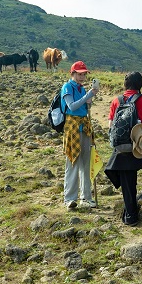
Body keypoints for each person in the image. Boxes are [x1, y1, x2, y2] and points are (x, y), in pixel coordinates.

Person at [104, 72, 142, 226]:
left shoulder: (117, 101)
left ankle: (131, 217)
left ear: (125, 85)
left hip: (122, 147)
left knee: (127, 182)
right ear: (140, 85)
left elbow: (110, 125)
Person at [61, 61, 99, 209]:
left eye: (84, 74)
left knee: (85, 162)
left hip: (84, 127)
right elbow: (72, 106)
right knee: (72, 161)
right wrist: (87, 96)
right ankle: (69, 198)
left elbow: (84, 106)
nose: (82, 77)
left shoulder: (81, 89)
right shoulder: (67, 87)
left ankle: (86, 197)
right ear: (73, 73)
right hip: (72, 127)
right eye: (79, 74)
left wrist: (89, 99)